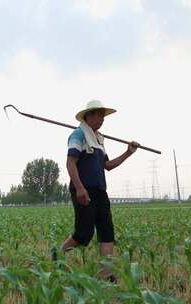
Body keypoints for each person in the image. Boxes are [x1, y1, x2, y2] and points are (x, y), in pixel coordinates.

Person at [52, 100, 139, 281]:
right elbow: (70, 163)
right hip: (84, 190)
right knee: (83, 234)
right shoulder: (78, 135)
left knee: (107, 231)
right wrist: (80, 189)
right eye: (99, 115)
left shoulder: (99, 139)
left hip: (100, 190)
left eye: (103, 116)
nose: (102, 119)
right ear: (88, 116)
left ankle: (106, 275)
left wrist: (128, 153)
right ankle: (57, 255)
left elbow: (107, 165)